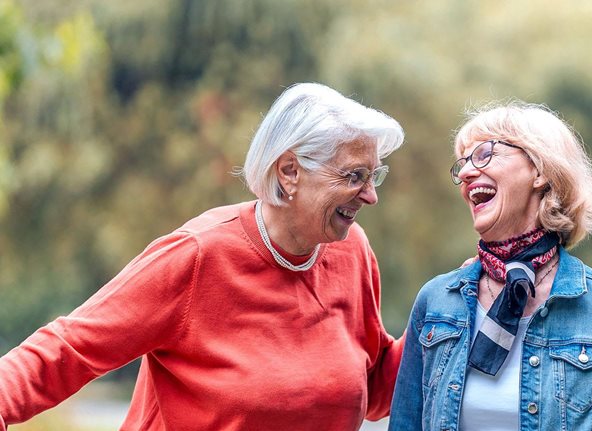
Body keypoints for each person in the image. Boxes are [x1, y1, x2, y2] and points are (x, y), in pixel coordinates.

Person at [0, 83, 405, 430]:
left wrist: (457, 298)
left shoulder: (351, 251)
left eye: (374, 176)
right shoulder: (198, 255)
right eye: (354, 176)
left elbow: (375, 387)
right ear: (289, 171)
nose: (371, 195)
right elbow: (67, 349)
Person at [388, 101, 592, 430]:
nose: (464, 173)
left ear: (541, 170)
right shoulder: (437, 300)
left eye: (485, 154)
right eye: (461, 164)